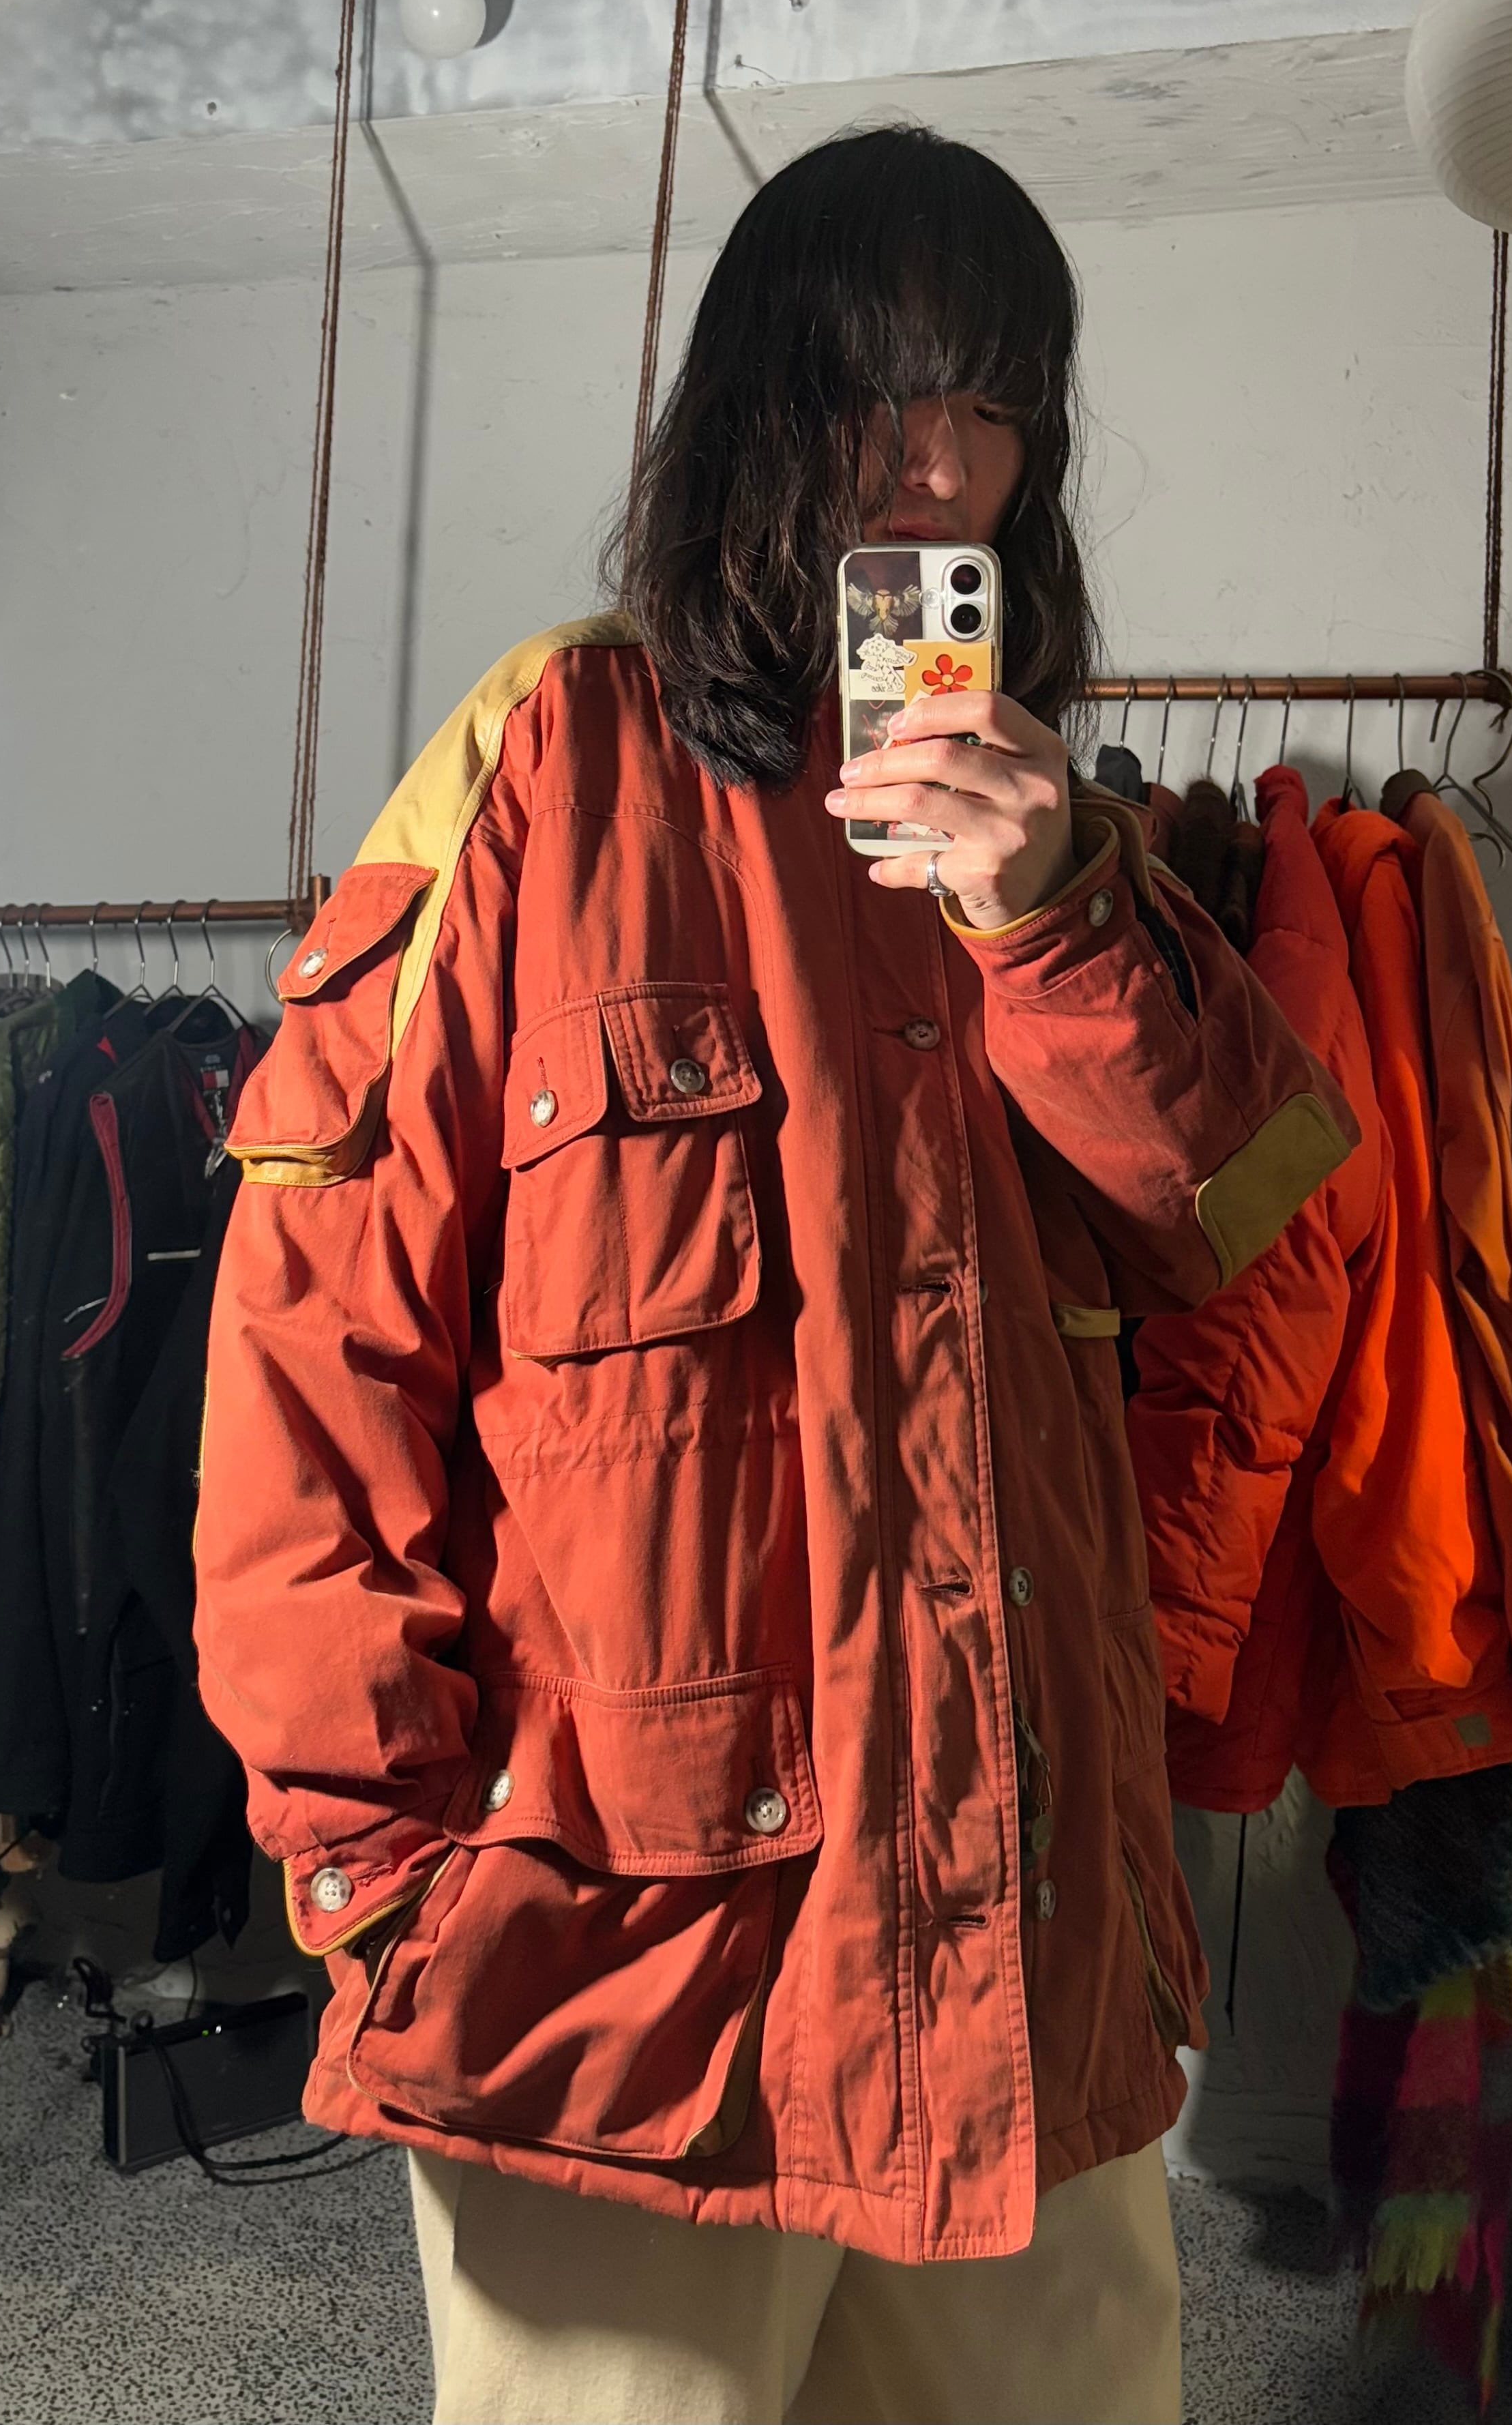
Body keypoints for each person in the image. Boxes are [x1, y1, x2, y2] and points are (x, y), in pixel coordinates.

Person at [193, 124, 1355, 2425]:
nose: (935, 462)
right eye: (878, 388)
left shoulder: (1058, 835)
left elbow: (1235, 1216)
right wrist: (368, 1864)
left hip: (1017, 1918)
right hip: (625, 1957)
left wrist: (1049, 918)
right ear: (756, 401)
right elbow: (313, 1342)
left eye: (992, 401)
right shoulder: (551, 756)